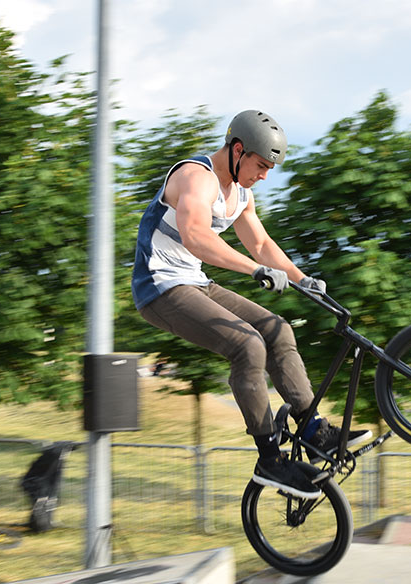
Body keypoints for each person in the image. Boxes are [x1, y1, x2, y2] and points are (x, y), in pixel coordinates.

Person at [131, 110, 370, 500]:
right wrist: (255, 270)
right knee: (247, 345)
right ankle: (269, 459)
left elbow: (260, 244)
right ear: (237, 150)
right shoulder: (196, 177)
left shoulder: (241, 194)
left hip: (194, 283)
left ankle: (313, 429)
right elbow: (194, 235)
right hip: (159, 287)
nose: (264, 175)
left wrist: (299, 277)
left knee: (278, 330)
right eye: (260, 165)